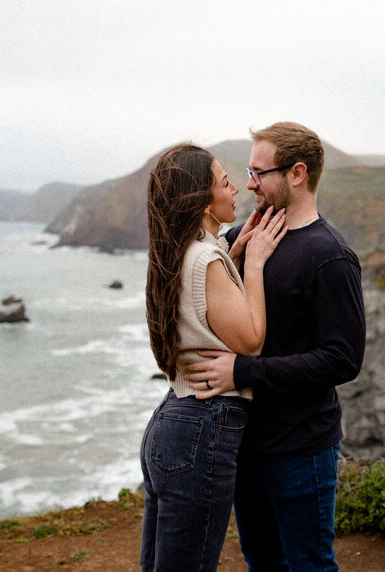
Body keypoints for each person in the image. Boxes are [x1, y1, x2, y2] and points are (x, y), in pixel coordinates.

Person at [184, 122, 366, 571]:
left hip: (302, 449)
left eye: (258, 172)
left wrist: (242, 372)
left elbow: (343, 359)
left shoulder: (330, 256)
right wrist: (235, 252)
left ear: (297, 173)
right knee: (262, 562)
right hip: (244, 443)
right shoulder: (247, 236)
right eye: (247, 171)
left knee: (310, 565)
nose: (248, 183)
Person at [139, 143, 287, 571]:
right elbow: (251, 341)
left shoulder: (179, 249)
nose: (237, 188)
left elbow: (202, 285)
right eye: (225, 182)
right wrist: (254, 263)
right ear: (204, 201)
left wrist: (232, 251)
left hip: (172, 421)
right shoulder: (205, 259)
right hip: (203, 429)